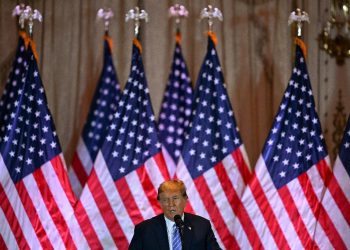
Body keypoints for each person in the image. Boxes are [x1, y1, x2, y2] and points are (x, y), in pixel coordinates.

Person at [129, 179, 221, 250]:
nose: (171, 204)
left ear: (185, 200)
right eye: (165, 200)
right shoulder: (144, 230)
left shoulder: (202, 226)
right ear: (160, 203)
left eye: (175, 198)